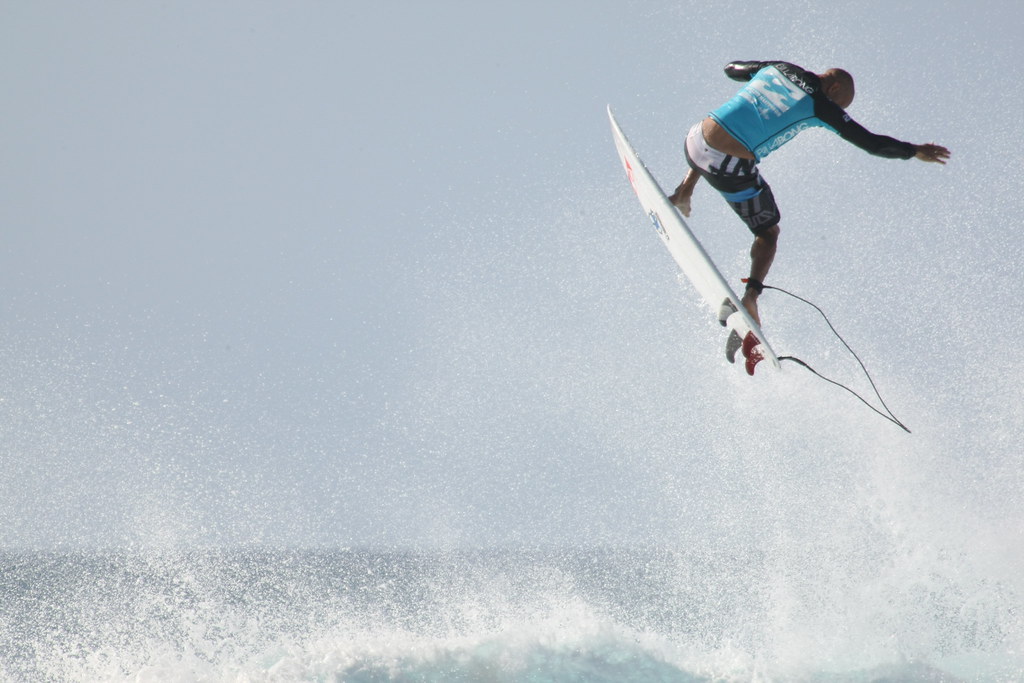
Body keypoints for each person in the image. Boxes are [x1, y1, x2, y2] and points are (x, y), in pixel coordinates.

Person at [669, 60, 950, 325]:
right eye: (840, 105)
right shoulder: (820, 105)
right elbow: (872, 144)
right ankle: (751, 297)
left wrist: (752, 76)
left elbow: (732, 69)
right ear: (835, 88)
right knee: (768, 232)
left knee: (721, 135)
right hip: (723, 165)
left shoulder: (778, 67)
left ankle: (684, 190)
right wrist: (913, 151)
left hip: (693, 141)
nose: (837, 110)